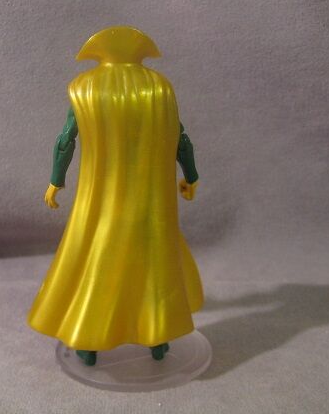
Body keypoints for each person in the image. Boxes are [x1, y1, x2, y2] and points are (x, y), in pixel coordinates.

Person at [28, 26, 203, 366]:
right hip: (150, 197)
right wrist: (191, 176)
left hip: (103, 198)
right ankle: (157, 337)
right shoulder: (158, 87)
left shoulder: (86, 87)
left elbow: (65, 140)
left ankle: (89, 340)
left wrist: (56, 181)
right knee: (153, 258)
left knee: (100, 259)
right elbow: (180, 138)